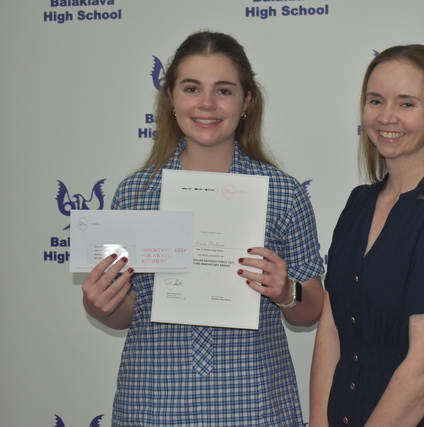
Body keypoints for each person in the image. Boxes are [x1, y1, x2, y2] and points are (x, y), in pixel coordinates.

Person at [81, 31, 325, 426]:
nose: (207, 103)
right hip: (154, 405)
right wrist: (100, 304)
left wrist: (286, 292)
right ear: (171, 98)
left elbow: (310, 311)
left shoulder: (282, 193)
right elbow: (125, 313)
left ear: (246, 101)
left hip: (254, 405)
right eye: (192, 88)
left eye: (224, 90)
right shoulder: (135, 194)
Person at [310, 44, 424, 426]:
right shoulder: (359, 203)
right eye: (375, 101)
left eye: (407, 103)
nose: (386, 117)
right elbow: (331, 327)